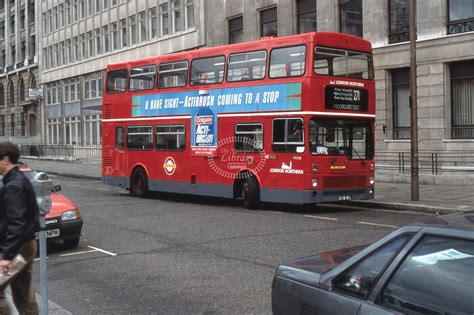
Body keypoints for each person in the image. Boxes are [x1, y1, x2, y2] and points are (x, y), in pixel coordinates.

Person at [0, 142, 40, 315]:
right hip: (27, 244)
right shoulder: (19, 179)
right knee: (24, 294)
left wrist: (7, 257)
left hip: (19, 248)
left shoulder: (14, 185)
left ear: (6, 159)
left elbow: (16, 222)